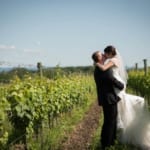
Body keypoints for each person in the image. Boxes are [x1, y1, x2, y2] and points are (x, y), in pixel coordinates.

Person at [95, 45, 150, 149]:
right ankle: (110, 141)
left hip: (114, 91)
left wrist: (97, 63)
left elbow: (106, 72)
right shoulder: (107, 63)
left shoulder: (112, 61)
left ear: (110, 53)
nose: (104, 55)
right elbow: (109, 76)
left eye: (105, 53)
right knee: (113, 117)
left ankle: (112, 140)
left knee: (115, 115)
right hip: (112, 92)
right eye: (102, 54)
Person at [91, 51, 124, 149]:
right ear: (99, 58)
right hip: (108, 98)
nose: (104, 54)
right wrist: (121, 85)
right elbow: (111, 79)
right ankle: (107, 144)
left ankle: (109, 141)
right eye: (101, 54)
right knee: (110, 121)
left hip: (106, 98)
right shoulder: (103, 69)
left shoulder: (99, 68)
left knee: (110, 120)